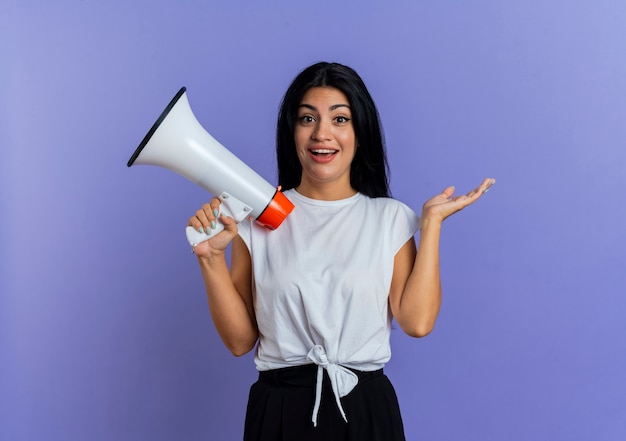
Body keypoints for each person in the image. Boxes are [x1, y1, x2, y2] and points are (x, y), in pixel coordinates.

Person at [188, 62, 495, 441]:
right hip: (279, 408)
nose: (322, 134)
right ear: (292, 131)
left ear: (359, 133)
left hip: (365, 407)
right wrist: (210, 259)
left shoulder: (390, 218)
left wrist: (430, 226)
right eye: (307, 118)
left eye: (340, 119)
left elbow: (417, 323)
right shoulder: (256, 220)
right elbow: (239, 341)